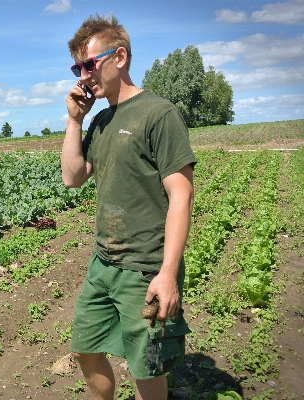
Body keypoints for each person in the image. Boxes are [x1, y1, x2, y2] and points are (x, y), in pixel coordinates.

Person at [61, 14, 197, 400]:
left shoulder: (159, 114)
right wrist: (74, 121)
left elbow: (181, 196)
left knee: (145, 369)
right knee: (84, 349)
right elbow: (73, 177)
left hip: (144, 268)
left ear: (119, 57)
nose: (84, 75)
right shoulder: (100, 121)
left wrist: (167, 273)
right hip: (102, 262)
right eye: (77, 68)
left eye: (89, 64)